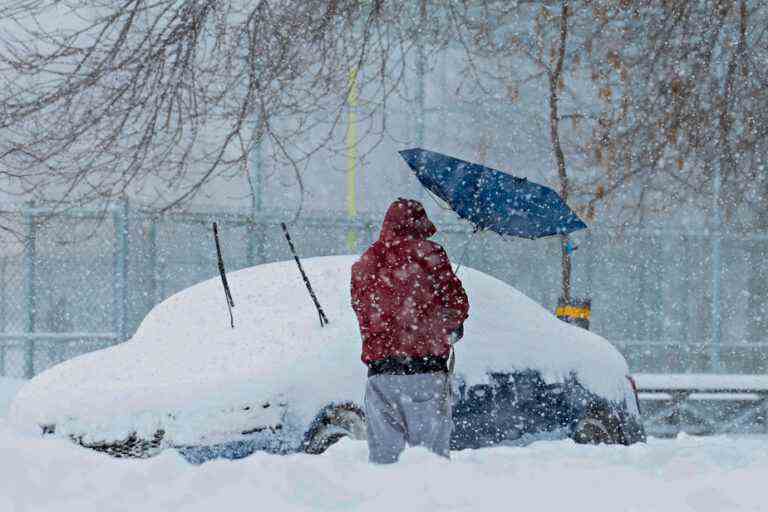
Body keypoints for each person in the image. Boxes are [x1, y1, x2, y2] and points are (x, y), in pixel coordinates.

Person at [351, 198, 469, 463]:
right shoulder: (430, 256)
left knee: (384, 463)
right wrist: (444, 325)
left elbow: (362, 311)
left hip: (380, 376)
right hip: (425, 373)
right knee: (430, 463)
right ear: (420, 225)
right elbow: (457, 306)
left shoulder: (366, 262)